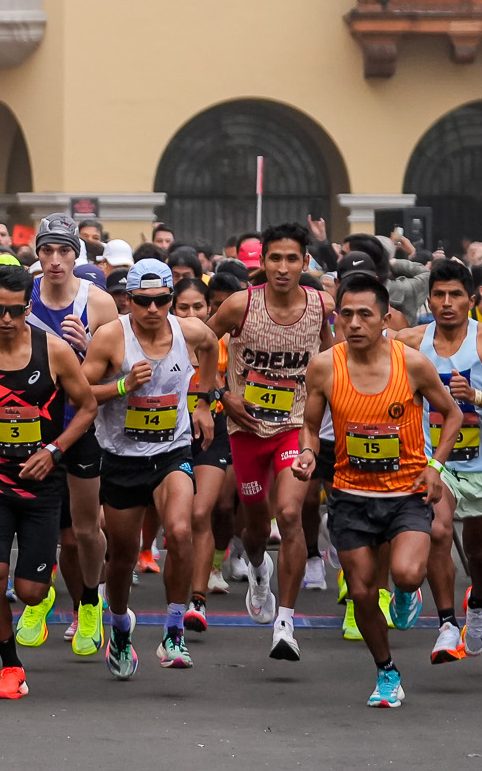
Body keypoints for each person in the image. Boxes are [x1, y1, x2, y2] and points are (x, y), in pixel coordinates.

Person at [294, 271, 462, 707]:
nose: (353, 323)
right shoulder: (325, 366)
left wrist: (435, 467)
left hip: (406, 492)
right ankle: (386, 672)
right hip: (350, 493)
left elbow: (453, 415)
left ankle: (407, 593)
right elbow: (310, 426)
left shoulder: (414, 364)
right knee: (364, 591)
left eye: (364, 315)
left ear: (384, 317)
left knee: (406, 573)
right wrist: (308, 454)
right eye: (345, 314)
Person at [0, 262, 97, 698]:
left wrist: (55, 449)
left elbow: (87, 407)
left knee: (30, 591)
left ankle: (45, 599)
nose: (6, 320)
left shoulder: (56, 351)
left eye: (16, 311)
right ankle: (11, 667)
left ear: (28, 308)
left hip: (42, 482)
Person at [82, 258, 220, 677]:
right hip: (122, 458)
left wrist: (202, 401)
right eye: (143, 301)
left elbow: (212, 346)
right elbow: (81, 392)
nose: (153, 310)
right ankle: (120, 626)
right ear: (128, 300)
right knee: (121, 557)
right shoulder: (110, 338)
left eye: (162, 300)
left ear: (172, 300)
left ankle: (173, 630)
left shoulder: (188, 330)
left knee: (180, 531)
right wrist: (123, 385)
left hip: (171, 452)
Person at [211, 221, 333, 662]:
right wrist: (223, 396)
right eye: (275, 259)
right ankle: (259, 569)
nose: (283, 268)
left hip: (296, 427)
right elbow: (199, 349)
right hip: (245, 430)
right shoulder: (239, 305)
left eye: (292, 259)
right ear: (262, 263)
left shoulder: (322, 306)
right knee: (257, 527)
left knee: (290, 512)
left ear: (305, 262)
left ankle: (286, 619)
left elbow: (333, 359)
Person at [398, 257, 482, 660]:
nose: (447, 302)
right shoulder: (413, 341)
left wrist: (477, 397)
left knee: (481, 551)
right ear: (429, 301)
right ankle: (448, 624)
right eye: (438, 295)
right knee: (439, 529)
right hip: (436, 463)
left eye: (455, 295)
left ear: (473, 299)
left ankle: (478, 604)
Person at [21, 212, 118, 657]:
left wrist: (83, 350)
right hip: (30, 425)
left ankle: (91, 599)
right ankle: (41, 598)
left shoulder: (98, 305)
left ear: (76, 255)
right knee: (43, 525)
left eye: (63, 251)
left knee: (84, 529)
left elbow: (110, 376)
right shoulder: (22, 297)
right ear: (37, 255)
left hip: (81, 426)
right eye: (47, 251)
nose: (55, 260)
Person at [170, 278, 231, 631]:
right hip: (171, 437)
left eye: (198, 307)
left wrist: (213, 397)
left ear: (210, 308)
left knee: (201, 511)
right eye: (183, 307)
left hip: (213, 434)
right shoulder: (163, 341)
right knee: (177, 523)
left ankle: (198, 599)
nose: (192, 314)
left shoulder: (219, 344)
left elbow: (237, 383)